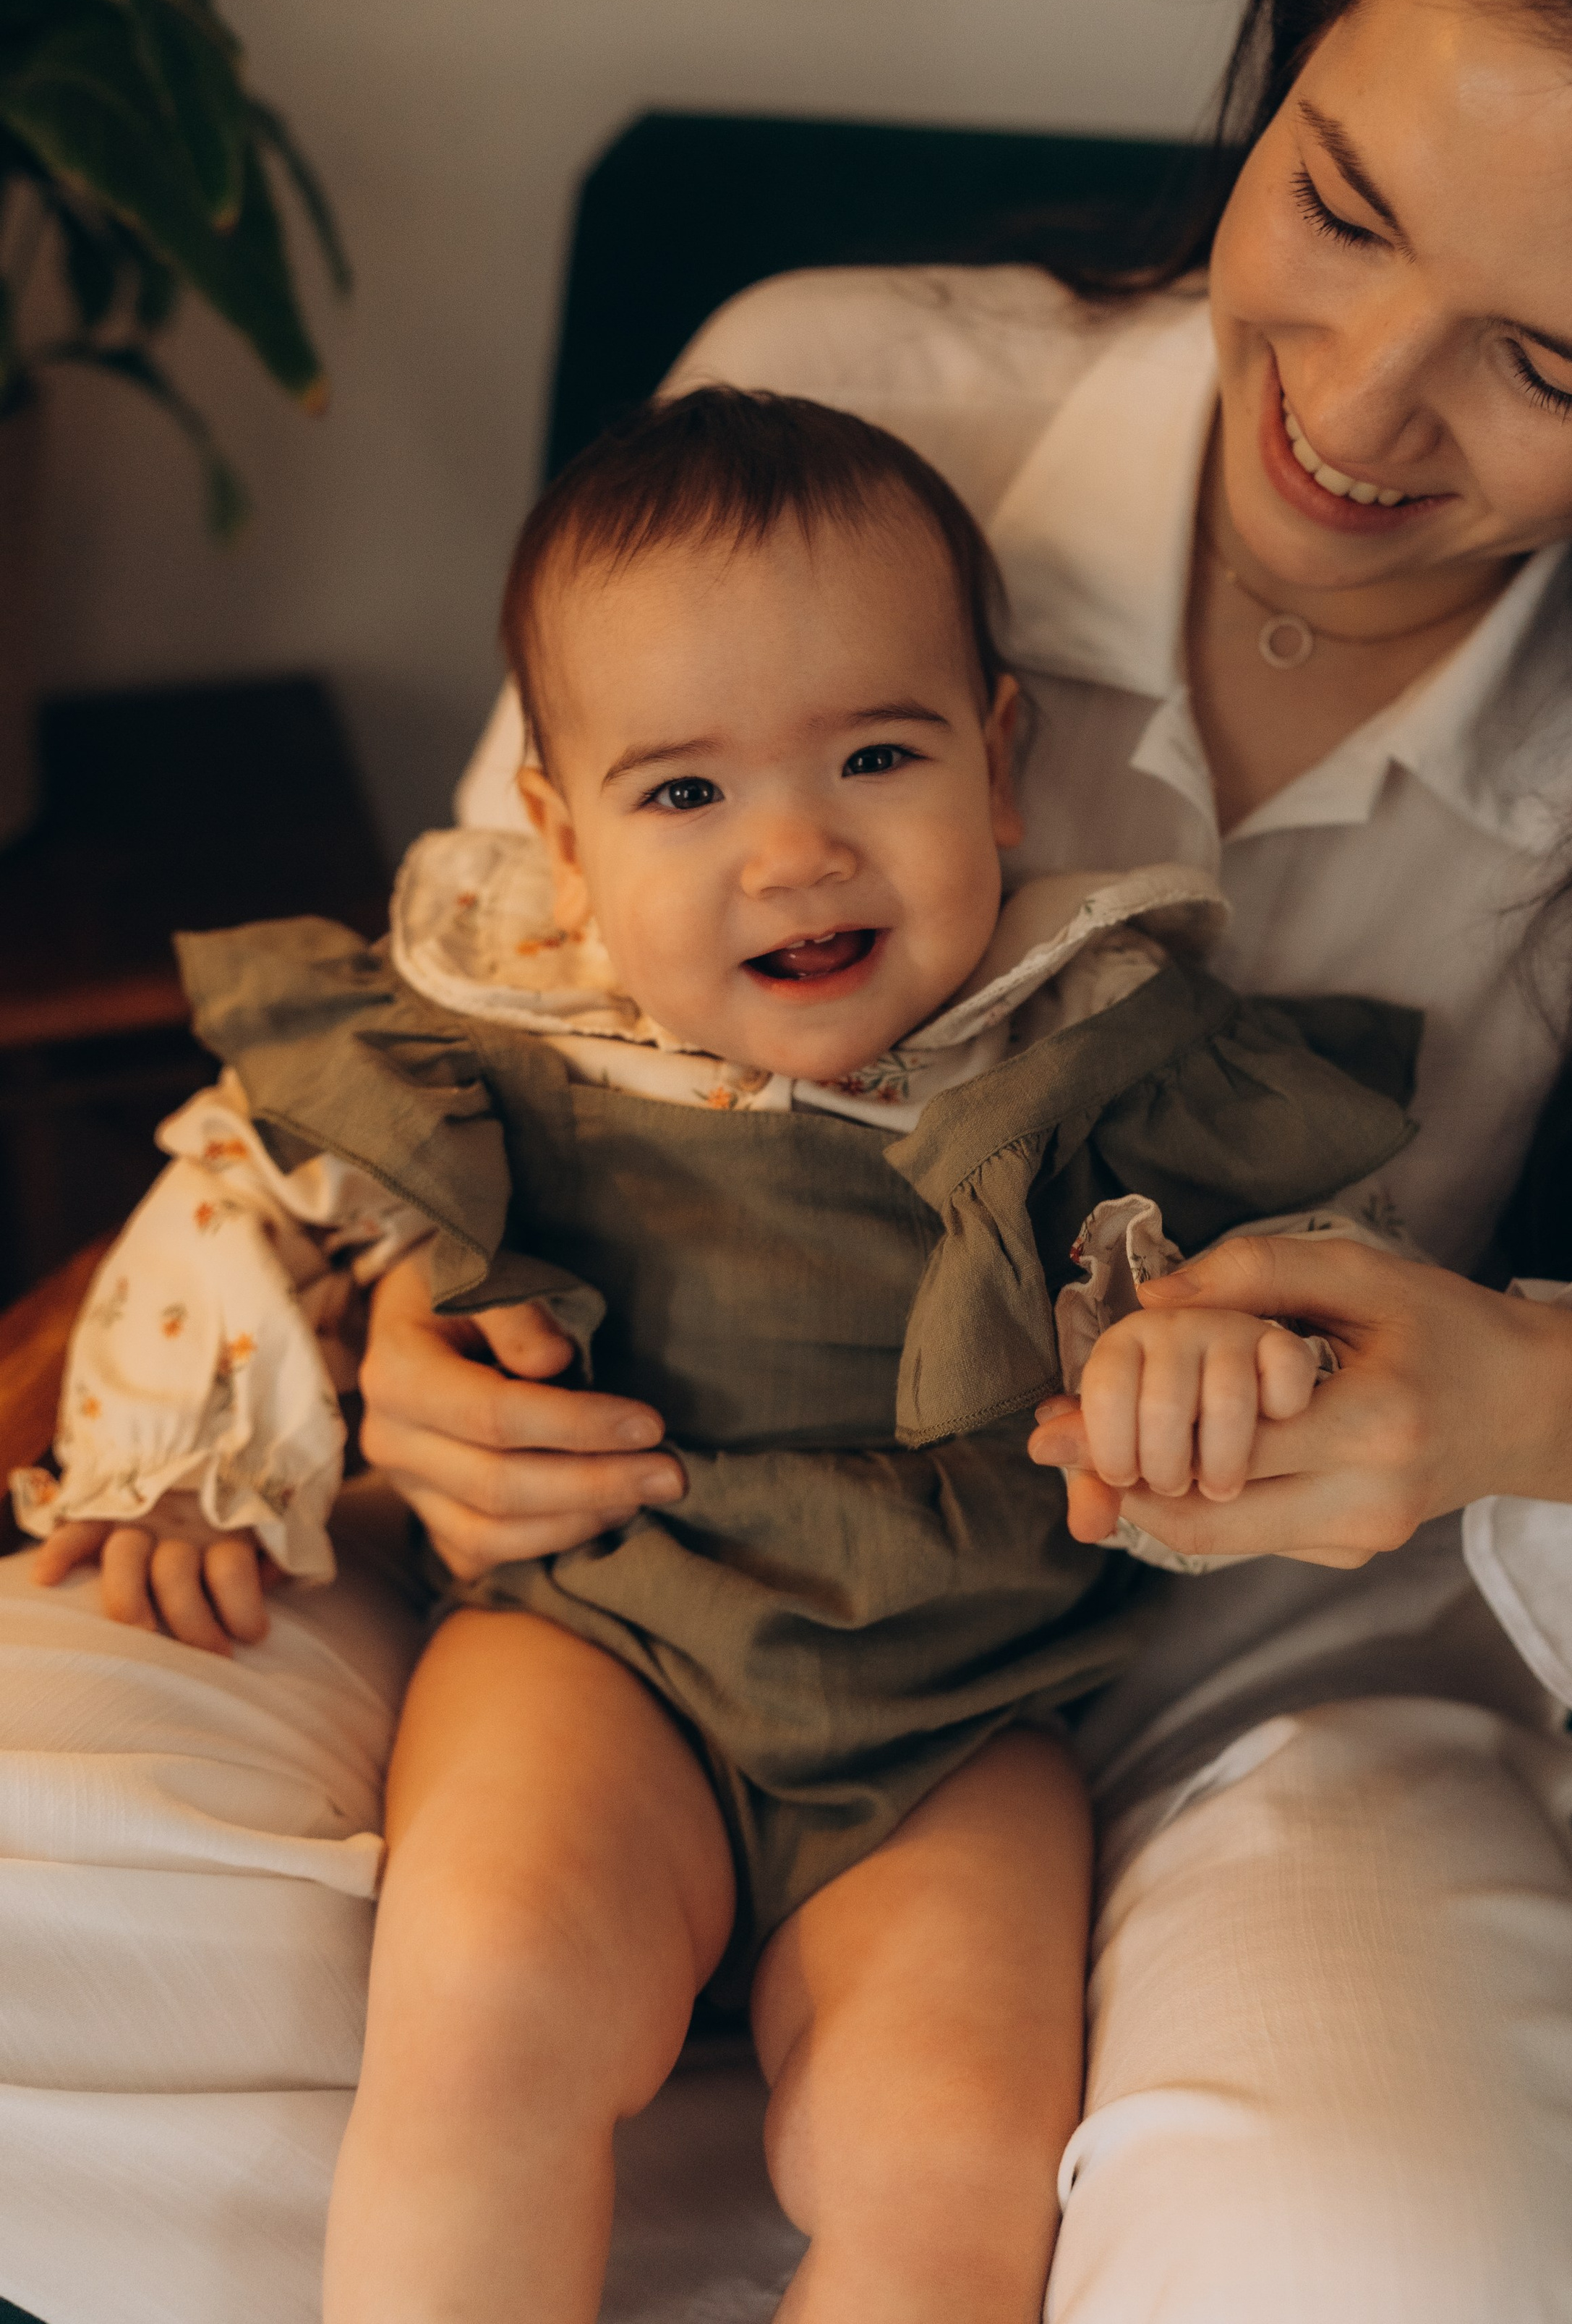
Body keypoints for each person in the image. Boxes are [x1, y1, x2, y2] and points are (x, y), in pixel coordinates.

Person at [8, 0, 1572, 2324]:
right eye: (1335, 202)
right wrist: (401, 1364)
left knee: (1364, 2264)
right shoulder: (835, 399)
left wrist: (1537, 1391)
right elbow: (475, 1015)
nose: (1353, 403)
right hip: (592, 1569)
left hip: (1245, 1684)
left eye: (1555, 362)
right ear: (1287, 28)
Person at [20, 387, 1420, 2324]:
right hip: (596, 1650)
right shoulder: (516, 1035)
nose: (795, 854)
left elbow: (1301, 1279)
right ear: (560, 834)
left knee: (951, 2160)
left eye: (874, 754)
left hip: (962, 1713)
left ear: (999, 764)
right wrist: (181, 1455)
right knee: (486, 2017)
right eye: (684, 793)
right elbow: (256, 1180)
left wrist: (1223, 1358)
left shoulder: (1091, 1049)